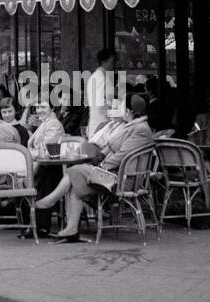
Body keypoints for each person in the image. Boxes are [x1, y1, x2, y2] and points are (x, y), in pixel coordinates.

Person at [35, 95, 154, 242]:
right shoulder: (130, 126)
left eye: (122, 107)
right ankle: (71, 230)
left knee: (75, 170)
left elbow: (121, 156)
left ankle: (50, 201)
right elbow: (110, 146)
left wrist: (99, 167)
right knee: (76, 185)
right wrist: (99, 159)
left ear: (129, 111)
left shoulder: (140, 129)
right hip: (113, 175)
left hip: (122, 180)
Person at [86, 49, 114, 139]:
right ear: (103, 62)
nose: (114, 65)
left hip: (100, 122)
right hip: (102, 124)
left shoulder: (97, 76)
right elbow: (100, 105)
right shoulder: (100, 77)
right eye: (112, 62)